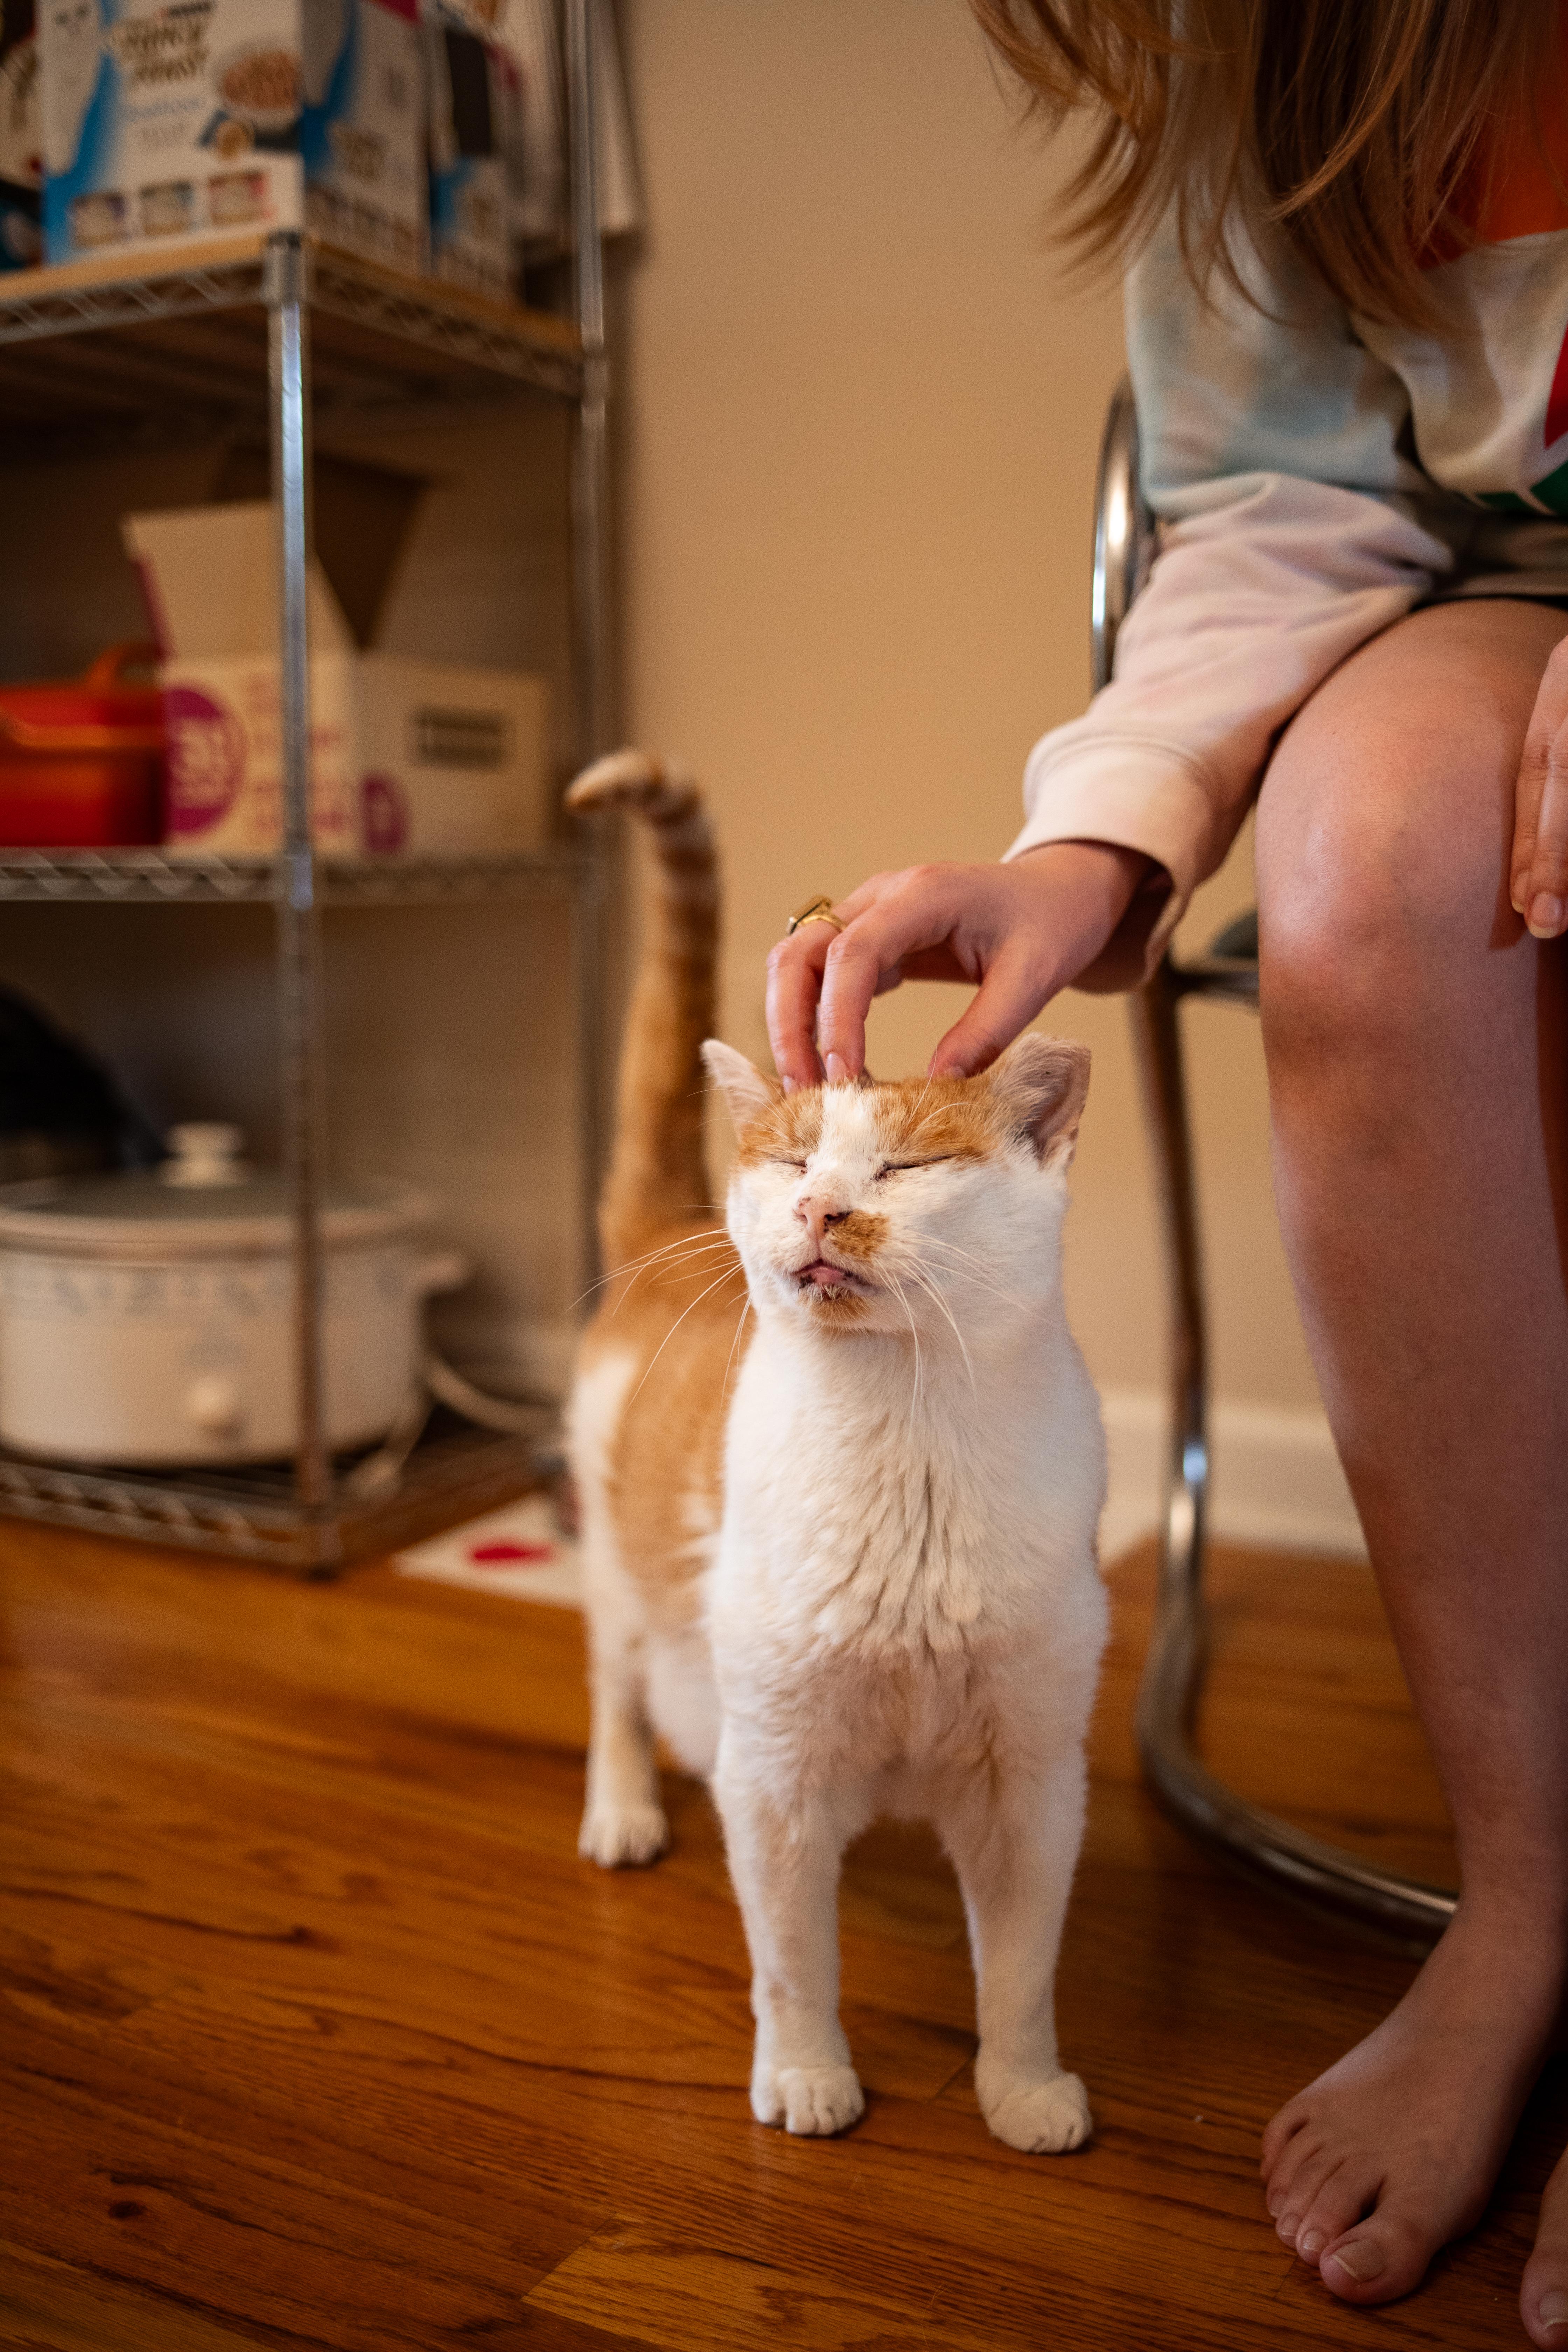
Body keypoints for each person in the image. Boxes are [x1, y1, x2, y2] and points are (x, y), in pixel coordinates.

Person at [764, 2, 1568, 2340]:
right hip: (1489, 590)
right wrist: (1091, 851)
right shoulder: (1274, 82)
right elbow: (1274, 508)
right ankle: (1528, 1896)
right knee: (1354, 880)